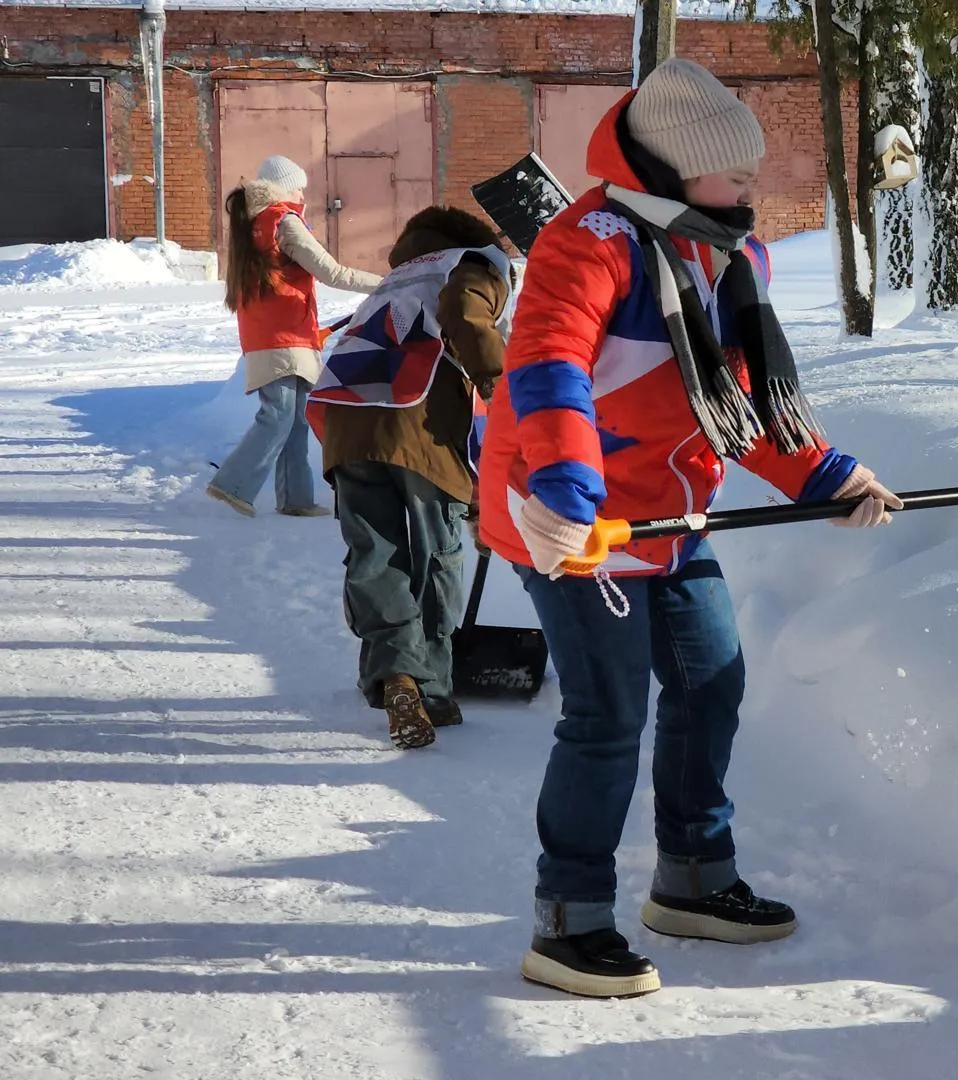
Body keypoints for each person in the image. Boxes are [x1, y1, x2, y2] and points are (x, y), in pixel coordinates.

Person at [478, 58, 902, 999]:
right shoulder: (587, 243)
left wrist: (828, 475)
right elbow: (549, 371)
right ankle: (570, 917)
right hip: (567, 516)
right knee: (607, 716)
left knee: (712, 683)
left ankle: (694, 879)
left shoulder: (731, 253)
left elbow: (740, 399)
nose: (753, 189)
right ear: (670, 172)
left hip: (672, 516)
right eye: (733, 174)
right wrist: (567, 493)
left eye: (752, 174)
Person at [307, 206, 512, 751]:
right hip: (416, 427)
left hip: (348, 428)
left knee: (376, 556)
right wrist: (508, 392)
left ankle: (396, 675)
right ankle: (435, 690)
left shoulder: (397, 279)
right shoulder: (470, 265)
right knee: (435, 557)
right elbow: (466, 314)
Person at [209, 155, 383, 517]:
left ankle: (297, 500)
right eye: (299, 185)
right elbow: (332, 272)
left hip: (271, 333)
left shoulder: (253, 223)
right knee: (280, 414)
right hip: (284, 334)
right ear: (284, 187)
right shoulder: (284, 221)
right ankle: (232, 484)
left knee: (296, 417)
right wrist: (387, 284)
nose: (304, 192)